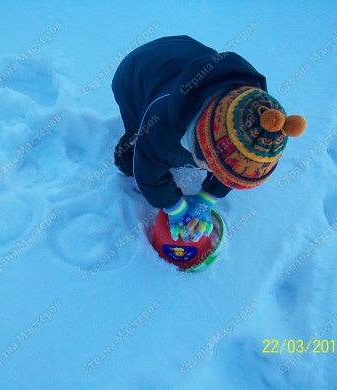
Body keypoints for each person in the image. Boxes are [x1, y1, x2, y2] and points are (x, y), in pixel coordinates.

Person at [112, 35, 306, 242]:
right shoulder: (162, 126)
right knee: (138, 142)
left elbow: (236, 162)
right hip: (135, 74)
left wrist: (208, 196)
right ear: (203, 145)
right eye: (214, 168)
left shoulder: (252, 111)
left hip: (186, 56)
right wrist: (173, 206)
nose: (219, 175)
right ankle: (125, 153)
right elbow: (148, 170)